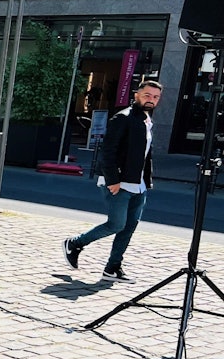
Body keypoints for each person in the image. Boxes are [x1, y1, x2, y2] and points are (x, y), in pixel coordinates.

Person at [63, 79, 163, 283]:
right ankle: (74, 244)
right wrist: (113, 180)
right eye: (147, 95)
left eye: (155, 97)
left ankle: (113, 268)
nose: (151, 100)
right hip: (119, 182)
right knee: (116, 224)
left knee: (129, 227)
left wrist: (146, 181)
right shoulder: (123, 118)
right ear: (137, 95)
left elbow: (144, 154)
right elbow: (107, 151)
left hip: (139, 184)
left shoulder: (145, 119)